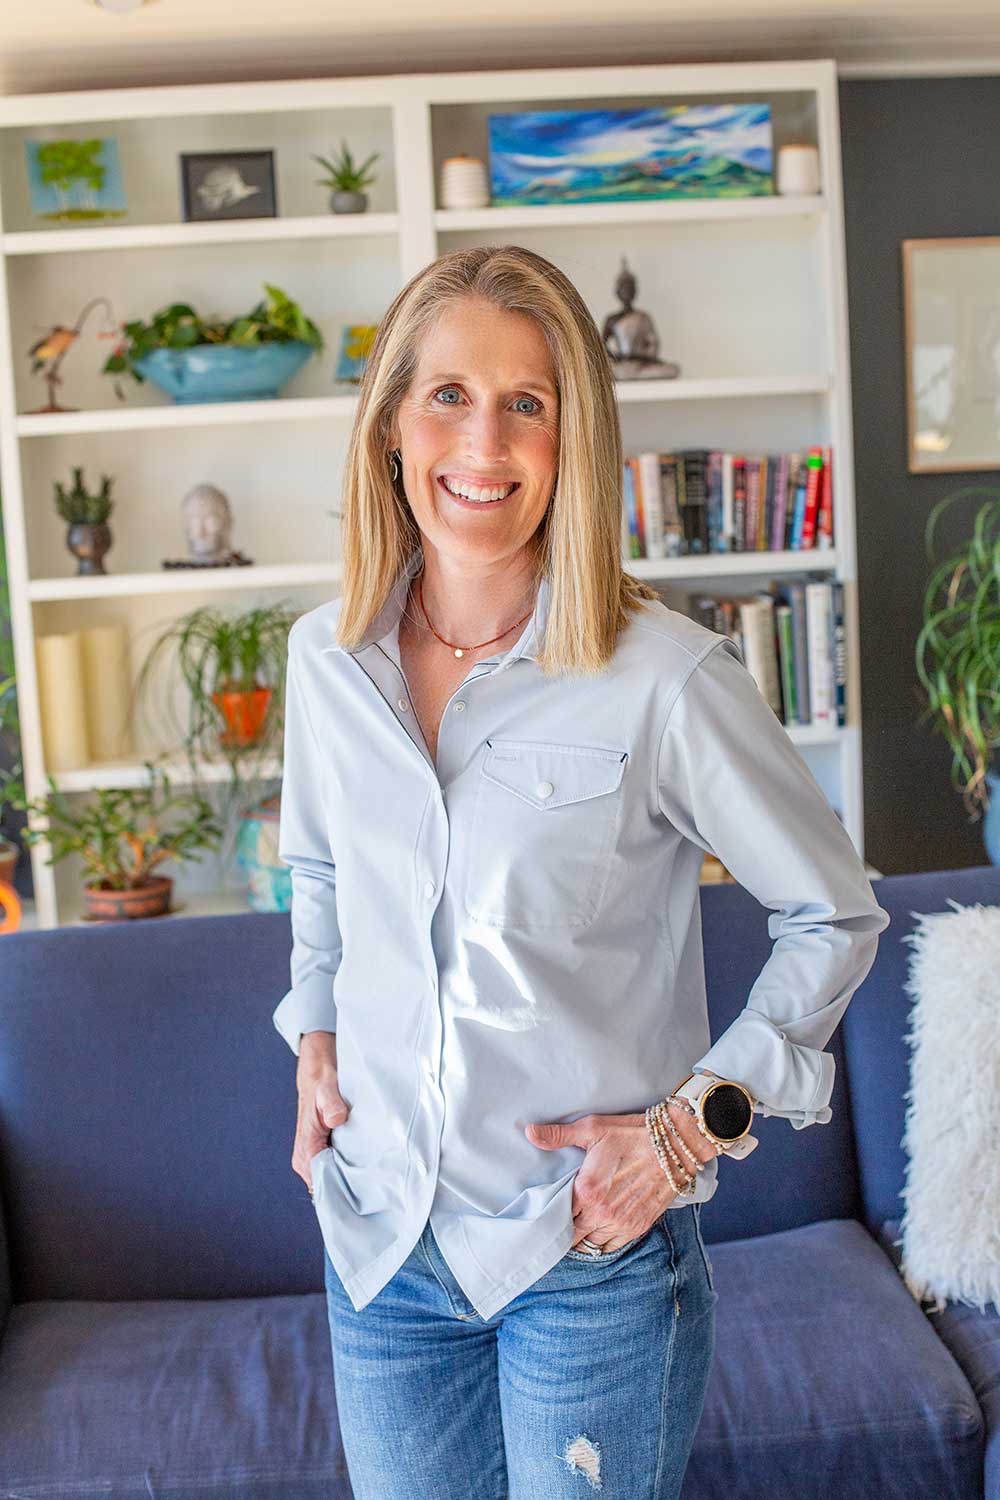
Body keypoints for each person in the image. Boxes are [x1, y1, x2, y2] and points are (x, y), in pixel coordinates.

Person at [272, 244, 891, 1499]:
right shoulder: (324, 660)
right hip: (380, 1245)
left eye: (527, 403)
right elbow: (323, 874)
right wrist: (318, 1036)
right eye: (447, 394)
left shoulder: (664, 675)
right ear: (393, 423)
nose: (481, 441)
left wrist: (688, 1130)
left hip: (588, 1260)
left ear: (574, 441)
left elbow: (833, 911)